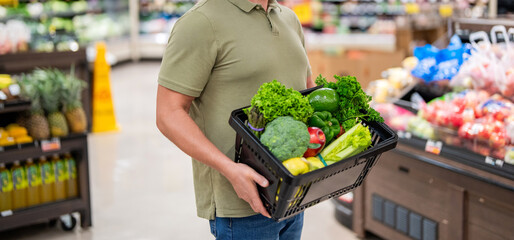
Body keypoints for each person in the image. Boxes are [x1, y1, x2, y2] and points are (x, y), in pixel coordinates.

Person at [156, 0, 315, 238]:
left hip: (292, 194)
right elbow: (168, 114)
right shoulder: (200, 23)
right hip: (241, 207)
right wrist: (230, 170)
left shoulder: (289, 18)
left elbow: (307, 88)